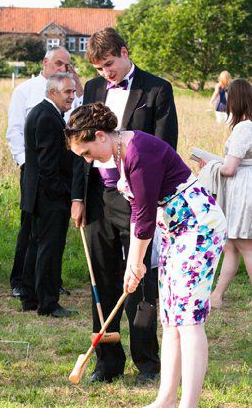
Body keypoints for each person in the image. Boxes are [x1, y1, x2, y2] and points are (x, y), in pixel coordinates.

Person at [66, 103, 226, 408]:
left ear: (100, 136)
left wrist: (134, 264)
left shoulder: (138, 152)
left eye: (86, 151)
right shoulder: (117, 155)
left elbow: (142, 216)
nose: (86, 159)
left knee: (189, 321)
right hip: (175, 230)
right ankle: (166, 398)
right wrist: (135, 264)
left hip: (198, 228)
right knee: (170, 318)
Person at [71, 27, 178, 384]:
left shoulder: (157, 89)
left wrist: (151, 199)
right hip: (99, 198)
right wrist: (77, 198)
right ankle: (107, 362)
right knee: (101, 279)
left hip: (137, 196)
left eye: (110, 64)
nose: (106, 73)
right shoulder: (92, 88)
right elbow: (80, 147)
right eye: (99, 68)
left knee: (140, 278)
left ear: (124, 51)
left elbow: (165, 146)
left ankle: (148, 363)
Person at [6, 46, 82, 299]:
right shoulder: (26, 92)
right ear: (45, 62)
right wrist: (27, 165)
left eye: (67, 65)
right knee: (35, 234)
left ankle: (43, 285)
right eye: (59, 64)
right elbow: (15, 131)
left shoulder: (68, 95)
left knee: (45, 238)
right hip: (40, 175)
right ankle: (27, 286)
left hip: (54, 173)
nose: (64, 68)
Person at [204, 79, 252, 309]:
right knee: (230, 245)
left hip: (243, 187)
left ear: (236, 100)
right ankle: (217, 296)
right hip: (250, 182)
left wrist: (209, 165)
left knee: (245, 245)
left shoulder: (244, 128)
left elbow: (230, 169)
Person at [19, 73, 79, 317]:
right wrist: (64, 194)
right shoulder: (46, 117)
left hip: (38, 193)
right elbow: (48, 165)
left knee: (36, 245)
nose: (72, 97)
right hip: (48, 196)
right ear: (52, 92)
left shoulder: (44, 113)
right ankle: (47, 303)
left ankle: (30, 296)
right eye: (67, 92)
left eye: (73, 92)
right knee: (49, 249)